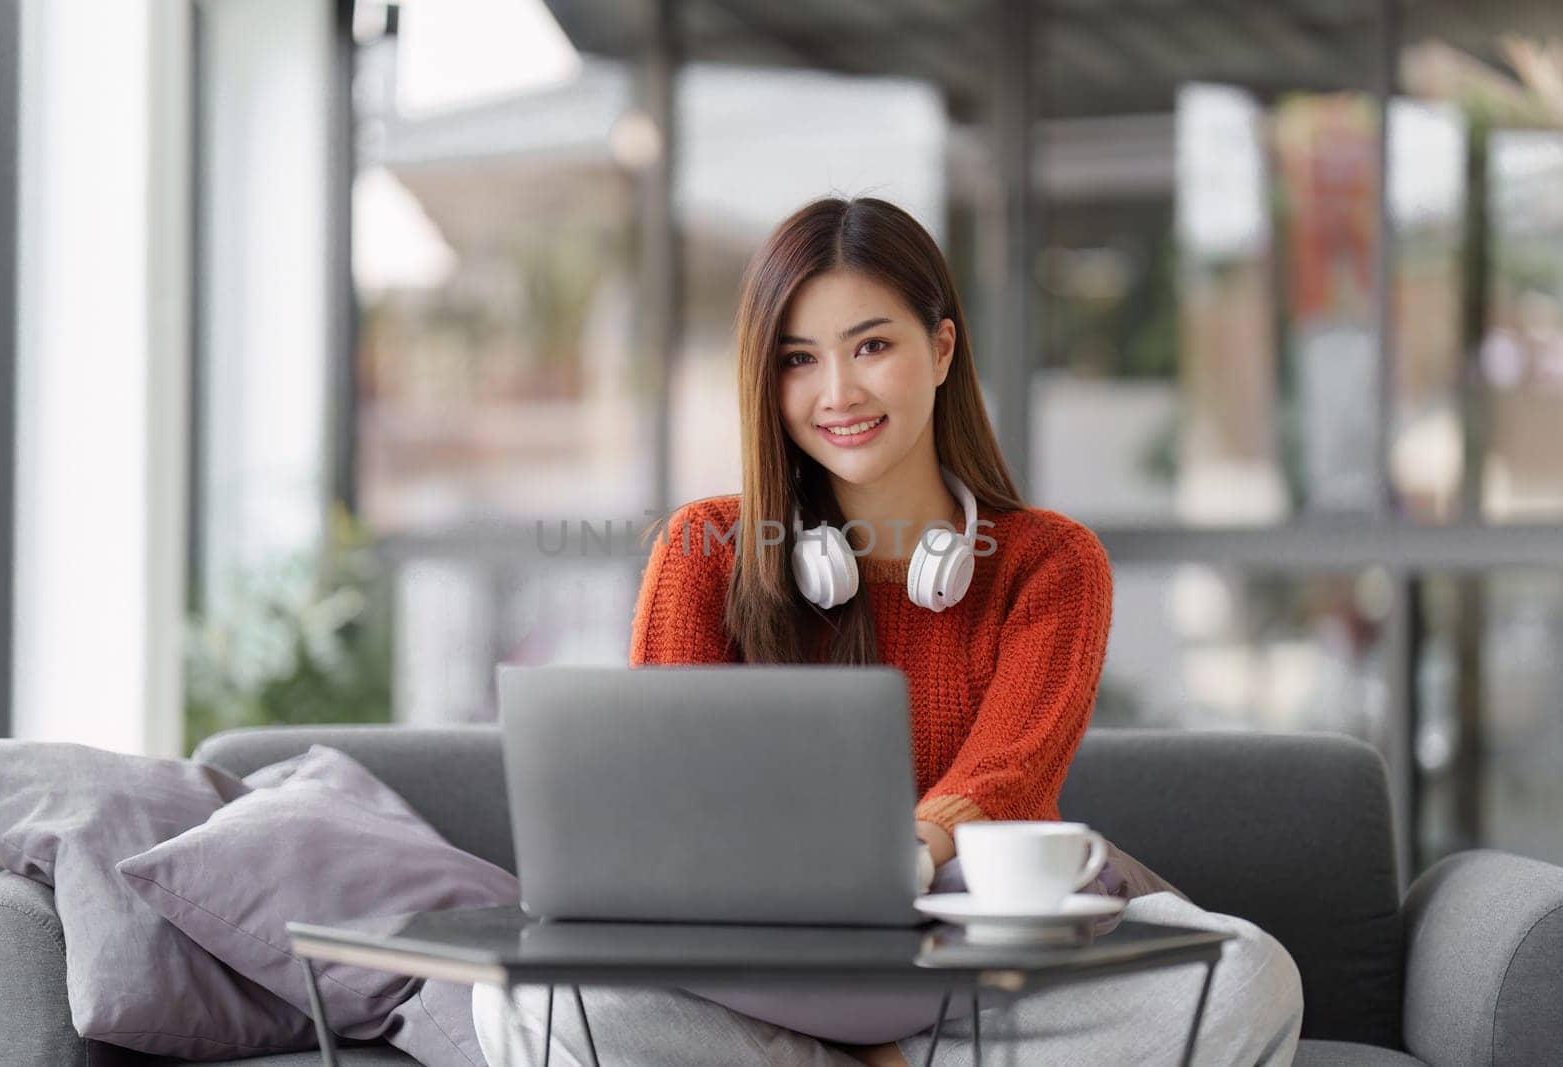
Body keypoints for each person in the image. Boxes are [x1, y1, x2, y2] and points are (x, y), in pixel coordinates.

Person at [471, 196, 1302, 1066]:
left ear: (942, 348)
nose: (839, 394)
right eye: (799, 359)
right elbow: (671, 802)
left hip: (974, 972)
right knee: (522, 1007)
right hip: (762, 971)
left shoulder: (1051, 561)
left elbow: (1006, 778)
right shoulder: (704, 550)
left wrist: (898, 854)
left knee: (1250, 976)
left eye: (872, 345)